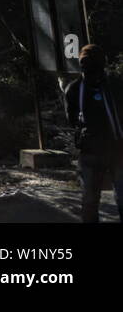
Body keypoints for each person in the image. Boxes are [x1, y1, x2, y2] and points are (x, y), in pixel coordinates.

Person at [63, 43, 123, 222]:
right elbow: (73, 118)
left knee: (92, 199)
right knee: (91, 200)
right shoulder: (75, 89)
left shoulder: (115, 85)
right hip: (96, 149)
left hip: (114, 148)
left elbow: (72, 119)